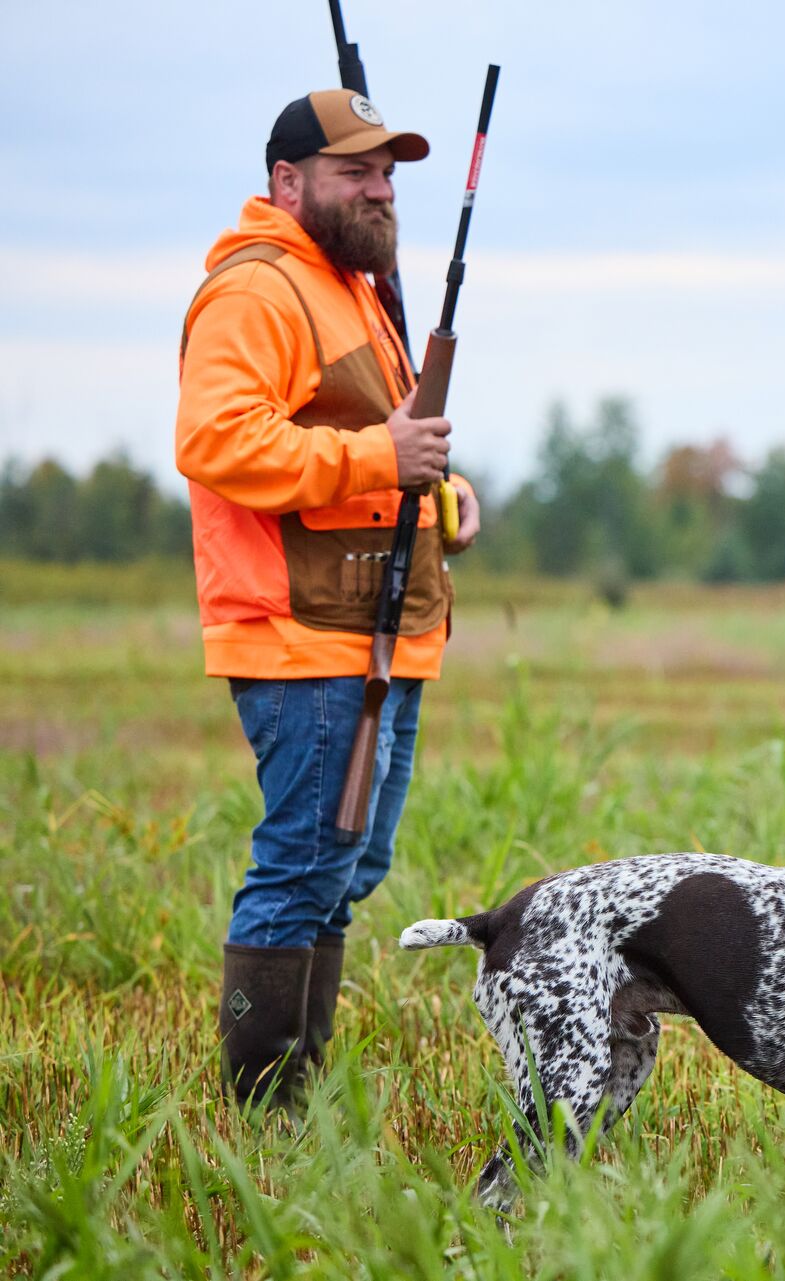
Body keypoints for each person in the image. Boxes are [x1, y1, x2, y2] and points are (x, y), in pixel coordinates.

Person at [175, 89, 480, 1107]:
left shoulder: (354, 290)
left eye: (388, 174)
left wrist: (446, 494)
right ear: (287, 182)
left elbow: (391, 447)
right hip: (298, 633)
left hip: (376, 635)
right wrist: (377, 456)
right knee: (305, 868)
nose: (381, 191)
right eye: (357, 172)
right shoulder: (258, 290)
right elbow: (215, 442)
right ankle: (264, 1114)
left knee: (346, 868)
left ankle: (291, 1095)